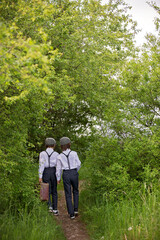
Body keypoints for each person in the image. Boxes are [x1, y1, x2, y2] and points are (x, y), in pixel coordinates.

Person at [56, 137, 81, 219]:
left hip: (66, 174)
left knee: (68, 193)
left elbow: (58, 168)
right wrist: (75, 171)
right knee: (76, 191)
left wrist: (58, 178)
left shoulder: (59, 156)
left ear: (61, 146)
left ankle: (71, 214)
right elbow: (79, 164)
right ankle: (76, 209)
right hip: (74, 172)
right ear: (69, 144)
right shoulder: (74, 153)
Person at [39, 138, 59, 215]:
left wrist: (40, 176)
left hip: (46, 171)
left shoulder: (42, 153)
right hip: (53, 171)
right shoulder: (56, 154)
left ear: (46, 145)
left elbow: (41, 165)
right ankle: (55, 209)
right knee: (54, 191)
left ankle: (49, 207)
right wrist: (58, 177)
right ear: (54, 145)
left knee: (47, 190)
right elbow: (58, 166)